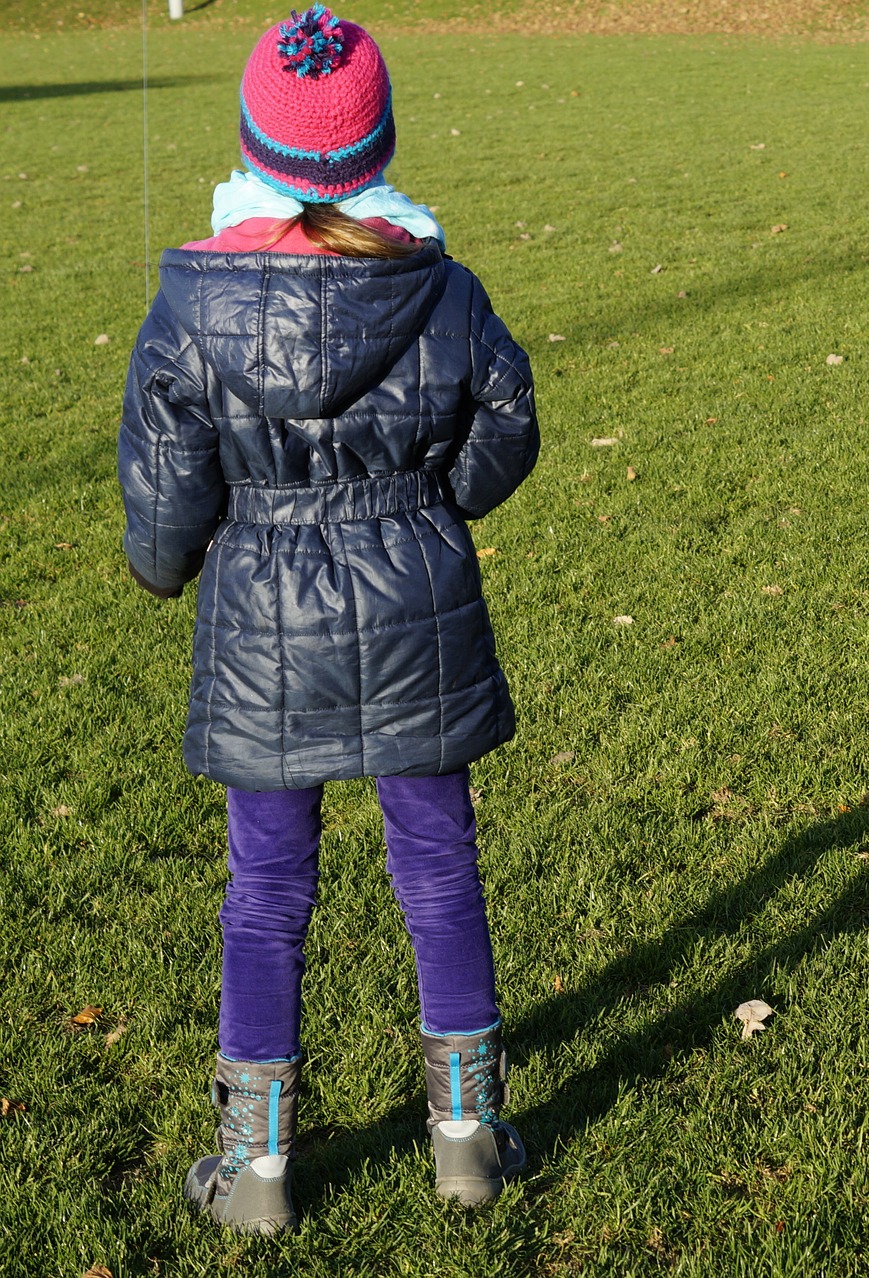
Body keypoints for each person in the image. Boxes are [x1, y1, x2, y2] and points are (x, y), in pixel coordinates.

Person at [118, 3, 540, 1234]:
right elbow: (507, 425)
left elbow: (160, 488)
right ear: (381, 146)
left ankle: (256, 1172)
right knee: (438, 869)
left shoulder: (191, 306)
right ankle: (464, 1138)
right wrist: (427, 505)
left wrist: (170, 561)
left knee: (264, 892)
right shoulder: (446, 289)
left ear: (253, 145)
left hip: (261, 623)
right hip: (418, 601)